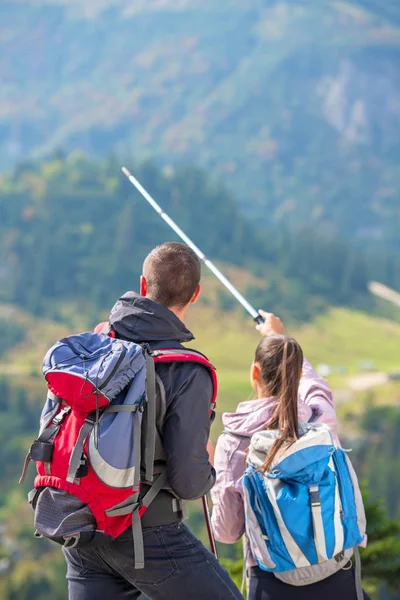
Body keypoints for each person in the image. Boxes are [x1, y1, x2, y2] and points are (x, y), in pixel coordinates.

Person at [63, 242, 244, 600]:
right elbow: (189, 483)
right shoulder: (187, 369)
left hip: (80, 529)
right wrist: (208, 464)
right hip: (148, 535)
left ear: (143, 286)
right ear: (195, 295)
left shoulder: (99, 344)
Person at [210, 311, 370, 600]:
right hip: (336, 572)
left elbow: (226, 532)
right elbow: (317, 388)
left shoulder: (233, 443)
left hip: (272, 581)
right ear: (296, 374)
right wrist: (277, 337)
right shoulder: (320, 422)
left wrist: (212, 475)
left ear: (254, 373)